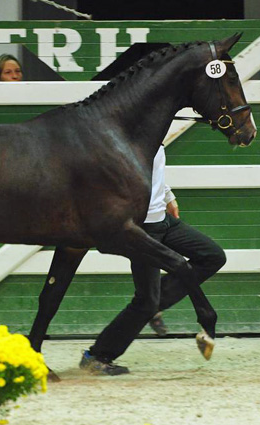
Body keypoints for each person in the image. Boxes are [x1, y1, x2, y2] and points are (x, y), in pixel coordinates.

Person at [79, 145, 227, 376]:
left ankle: (156, 305)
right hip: (142, 230)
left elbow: (153, 170)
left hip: (164, 220)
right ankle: (97, 356)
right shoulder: (125, 141)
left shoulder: (154, 135)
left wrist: (168, 195)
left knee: (212, 256)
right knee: (145, 301)